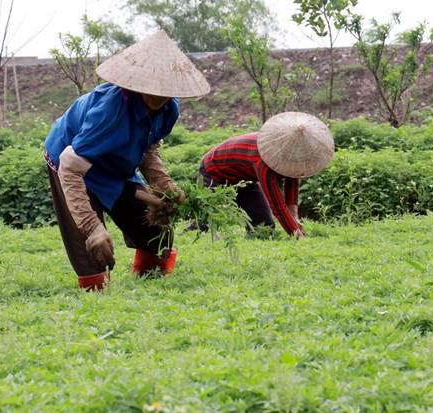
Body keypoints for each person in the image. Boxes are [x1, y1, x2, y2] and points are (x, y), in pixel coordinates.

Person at [44, 31, 210, 290]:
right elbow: (71, 168)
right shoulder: (109, 110)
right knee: (91, 246)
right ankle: (95, 290)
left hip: (115, 165)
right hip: (69, 161)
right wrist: (92, 227)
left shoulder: (169, 109)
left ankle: (151, 284)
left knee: (155, 226)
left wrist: (163, 185)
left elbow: (149, 148)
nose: (161, 96)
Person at [198, 112, 334, 237]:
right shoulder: (265, 162)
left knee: (264, 227)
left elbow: (292, 179)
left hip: (244, 179)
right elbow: (277, 204)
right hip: (214, 172)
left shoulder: (290, 154)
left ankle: (252, 243)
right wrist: (294, 232)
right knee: (203, 225)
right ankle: (190, 233)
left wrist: (294, 215)